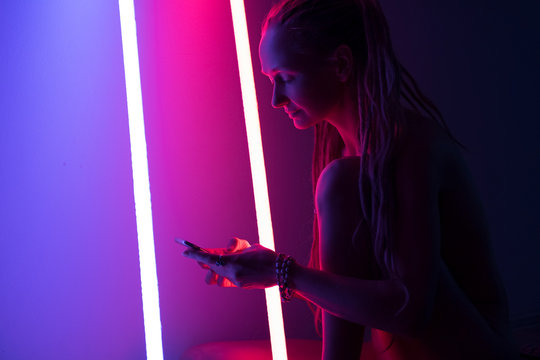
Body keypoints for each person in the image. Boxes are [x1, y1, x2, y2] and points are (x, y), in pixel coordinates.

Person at [183, 0, 519, 358]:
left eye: (286, 78)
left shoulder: (411, 147)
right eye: (271, 81)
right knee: (210, 354)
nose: (276, 100)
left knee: (340, 183)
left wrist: (282, 272)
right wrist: (274, 271)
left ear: (341, 64)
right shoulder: (344, 155)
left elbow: (411, 309)